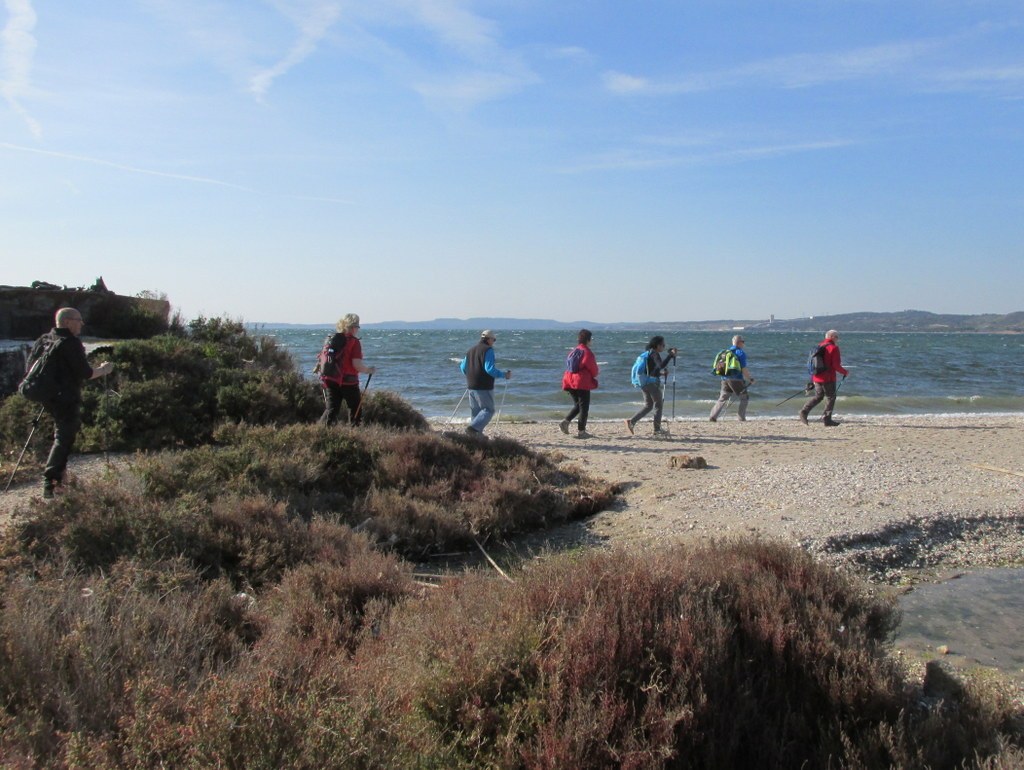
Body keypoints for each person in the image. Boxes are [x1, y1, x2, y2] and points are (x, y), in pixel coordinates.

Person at [31, 307, 113, 499]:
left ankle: (60, 478)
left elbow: (31, 366)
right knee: (64, 437)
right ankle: (51, 482)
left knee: (61, 433)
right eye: (78, 320)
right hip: (65, 397)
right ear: (67, 322)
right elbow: (86, 373)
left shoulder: (45, 339)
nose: (81, 323)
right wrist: (104, 369)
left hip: (48, 396)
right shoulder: (70, 343)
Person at [318, 313, 375, 427]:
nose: (358, 329)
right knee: (355, 409)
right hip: (348, 381)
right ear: (353, 327)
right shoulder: (354, 342)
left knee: (331, 409)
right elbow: (357, 365)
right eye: (357, 326)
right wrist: (369, 370)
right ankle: (354, 436)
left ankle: (319, 434)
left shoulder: (332, 339)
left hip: (331, 379)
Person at [459, 330, 511, 437]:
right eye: (494, 339)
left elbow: (463, 368)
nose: (494, 342)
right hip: (483, 386)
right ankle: (472, 429)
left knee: (476, 412)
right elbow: (489, 369)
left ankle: (476, 437)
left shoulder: (470, 350)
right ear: (488, 339)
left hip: (471, 385)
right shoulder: (488, 350)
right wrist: (504, 375)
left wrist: (471, 376)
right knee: (488, 410)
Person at [625, 336, 676, 436]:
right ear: (657, 345)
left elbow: (651, 371)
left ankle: (631, 422)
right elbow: (661, 365)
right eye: (663, 345)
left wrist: (661, 374)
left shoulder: (649, 353)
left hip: (644, 383)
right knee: (658, 405)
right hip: (651, 384)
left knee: (648, 406)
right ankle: (657, 430)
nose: (664, 347)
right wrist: (670, 356)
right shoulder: (654, 353)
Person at [799, 329, 849, 427]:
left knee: (818, 396)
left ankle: (804, 411)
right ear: (832, 337)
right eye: (837, 337)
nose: (838, 339)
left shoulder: (819, 346)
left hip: (816, 376)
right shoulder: (833, 348)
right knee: (831, 397)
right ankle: (827, 419)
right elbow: (836, 365)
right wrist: (845, 372)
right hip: (828, 377)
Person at [560, 329, 599, 439]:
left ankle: (565, 422)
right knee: (584, 407)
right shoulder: (587, 352)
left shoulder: (573, 351)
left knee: (578, 405)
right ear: (588, 340)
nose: (592, 341)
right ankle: (581, 431)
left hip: (569, 380)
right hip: (581, 382)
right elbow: (594, 369)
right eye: (591, 339)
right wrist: (594, 375)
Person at [709, 334, 755, 422]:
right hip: (736, 379)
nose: (744, 344)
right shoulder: (740, 353)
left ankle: (713, 416)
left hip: (724, 378)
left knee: (722, 398)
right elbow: (744, 369)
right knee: (744, 397)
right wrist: (750, 379)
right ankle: (741, 418)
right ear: (739, 343)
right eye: (743, 342)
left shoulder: (726, 352)